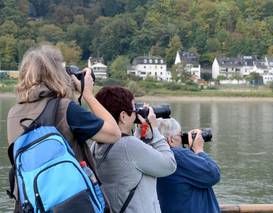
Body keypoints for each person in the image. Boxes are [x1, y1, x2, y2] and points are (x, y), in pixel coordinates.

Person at [7, 44, 121, 210]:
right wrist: (87, 94)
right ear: (56, 74)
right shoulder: (65, 108)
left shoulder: (13, 114)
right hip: (70, 202)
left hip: (32, 204)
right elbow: (114, 134)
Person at [91, 85, 177, 213]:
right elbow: (170, 165)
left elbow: (129, 161)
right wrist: (155, 131)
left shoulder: (96, 146)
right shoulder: (129, 146)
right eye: (134, 108)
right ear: (123, 116)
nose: (136, 112)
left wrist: (140, 132)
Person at [157, 118, 221, 213]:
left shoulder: (156, 156)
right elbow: (214, 174)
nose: (183, 139)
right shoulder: (178, 155)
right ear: (171, 140)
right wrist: (199, 150)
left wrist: (191, 153)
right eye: (180, 135)